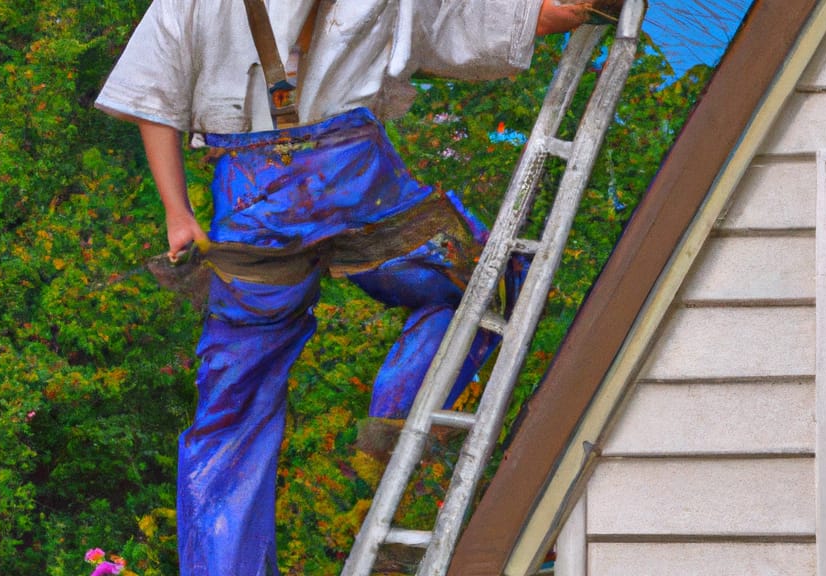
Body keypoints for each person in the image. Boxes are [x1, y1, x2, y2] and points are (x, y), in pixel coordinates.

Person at [95, 0, 623, 574]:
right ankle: (398, 419)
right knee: (481, 276)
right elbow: (464, 27)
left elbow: (154, 97)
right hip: (352, 179)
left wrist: (179, 214)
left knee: (233, 403)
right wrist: (567, 10)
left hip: (252, 201)